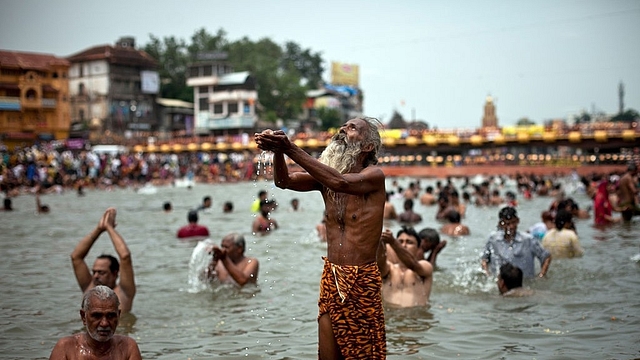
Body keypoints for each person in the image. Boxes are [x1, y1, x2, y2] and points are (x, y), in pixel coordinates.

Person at [255, 116, 387, 359]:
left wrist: (290, 147)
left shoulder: (373, 176)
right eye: (344, 125)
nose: (342, 130)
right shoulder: (325, 178)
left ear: (367, 146)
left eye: (352, 128)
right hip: (331, 276)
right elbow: (283, 181)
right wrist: (278, 151)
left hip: (361, 279)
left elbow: (339, 182)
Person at [48, 285, 142, 360]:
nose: (104, 323)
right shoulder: (66, 348)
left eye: (110, 315)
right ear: (83, 317)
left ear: (118, 315)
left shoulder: (128, 347)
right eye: (97, 316)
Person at [71, 208, 136, 313]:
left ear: (115, 273)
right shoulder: (90, 288)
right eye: (94, 272)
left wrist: (109, 228)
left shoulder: (124, 293)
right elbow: (76, 257)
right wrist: (99, 229)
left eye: (101, 272)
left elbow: (125, 257)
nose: (95, 276)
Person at [481, 206, 551, 279]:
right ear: (501, 224)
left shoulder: (528, 240)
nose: (511, 226)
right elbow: (484, 259)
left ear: (518, 221)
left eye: (513, 222)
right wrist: (487, 275)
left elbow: (546, 256)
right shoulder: (493, 240)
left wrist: (541, 275)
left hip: (524, 284)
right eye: (507, 224)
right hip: (502, 284)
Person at [377, 227, 433, 307]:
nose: (404, 245)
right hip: (391, 317)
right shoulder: (390, 268)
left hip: (415, 318)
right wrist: (381, 242)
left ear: (418, 248)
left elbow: (412, 265)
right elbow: (380, 265)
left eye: (409, 242)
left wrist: (394, 242)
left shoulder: (425, 266)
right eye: (400, 241)